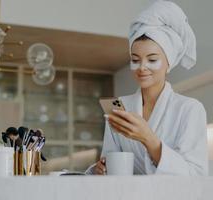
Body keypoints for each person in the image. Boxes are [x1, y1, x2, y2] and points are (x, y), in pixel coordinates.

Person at [87, 0, 208, 175]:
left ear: (169, 62)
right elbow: (109, 161)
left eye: (152, 60)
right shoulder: (121, 106)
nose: (142, 67)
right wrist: (100, 169)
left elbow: (196, 175)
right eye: (135, 60)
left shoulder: (190, 109)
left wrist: (148, 139)